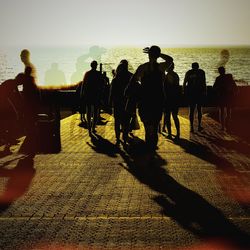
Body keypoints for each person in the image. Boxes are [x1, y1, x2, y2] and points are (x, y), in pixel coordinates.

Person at [127, 45, 173, 151]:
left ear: (148, 55)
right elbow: (170, 59)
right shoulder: (161, 67)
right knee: (155, 126)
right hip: (157, 100)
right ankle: (151, 149)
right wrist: (158, 54)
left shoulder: (142, 67)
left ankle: (150, 148)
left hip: (146, 101)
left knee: (149, 128)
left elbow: (132, 81)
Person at [109, 60, 133, 144]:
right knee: (125, 122)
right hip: (127, 103)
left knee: (117, 121)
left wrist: (109, 103)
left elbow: (111, 93)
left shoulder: (115, 79)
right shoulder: (130, 77)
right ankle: (125, 137)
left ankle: (117, 138)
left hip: (117, 103)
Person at [81, 60, 104, 135]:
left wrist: (82, 93)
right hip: (96, 95)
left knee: (88, 112)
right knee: (96, 112)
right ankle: (93, 127)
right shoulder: (98, 74)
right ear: (96, 65)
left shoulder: (87, 73)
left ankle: (89, 128)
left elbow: (83, 84)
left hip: (88, 94)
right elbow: (101, 85)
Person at [183, 62, 206, 132]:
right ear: (198, 66)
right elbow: (204, 82)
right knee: (199, 110)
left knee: (192, 110)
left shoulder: (189, 72)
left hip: (191, 94)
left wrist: (184, 91)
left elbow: (184, 82)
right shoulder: (201, 72)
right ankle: (198, 126)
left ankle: (192, 127)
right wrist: (205, 91)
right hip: (199, 93)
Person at [213, 66, 237, 131]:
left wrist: (219, 89)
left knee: (222, 111)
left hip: (222, 96)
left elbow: (214, 87)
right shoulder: (229, 77)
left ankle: (223, 126)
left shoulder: (218, 78)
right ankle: (227, 124)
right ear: (224, 71)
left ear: (219, 71)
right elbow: (234, 85)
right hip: (228, 96)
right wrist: (235, 91)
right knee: (228, 111)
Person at [163, 62, 181, 140]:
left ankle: (170, 134)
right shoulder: (175, 75)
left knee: (168, 116)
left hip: (168, 99)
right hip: (175, 98)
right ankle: (178, 133)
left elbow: (168, 87)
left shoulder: (169, 76)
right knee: (174, 116)